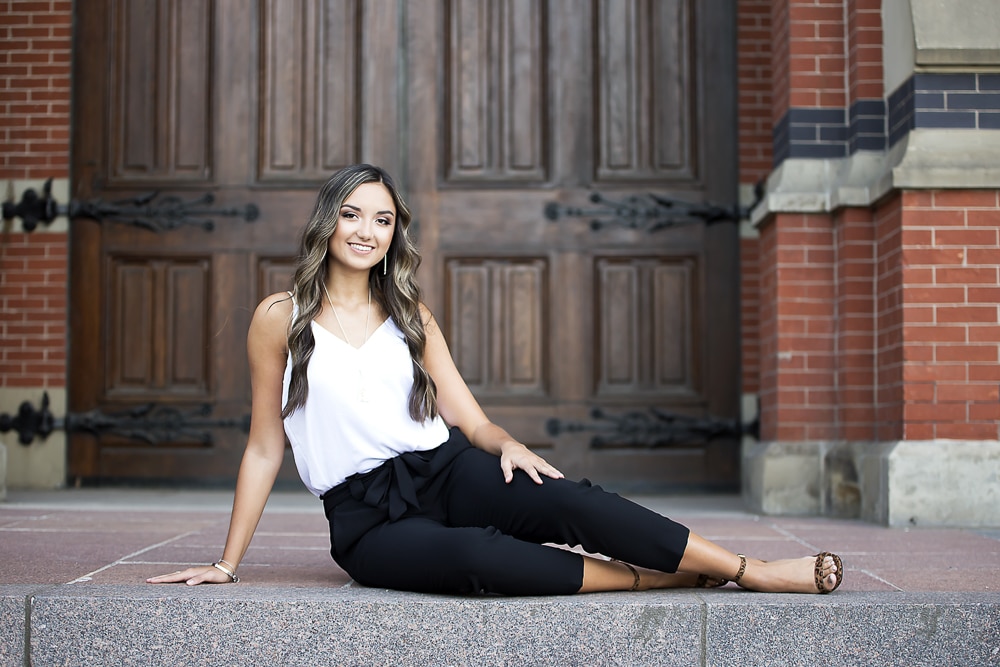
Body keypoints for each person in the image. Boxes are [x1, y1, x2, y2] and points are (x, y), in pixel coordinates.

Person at [148, 163, 843, 596]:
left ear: (395, 234)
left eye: (383, 218)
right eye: (353, 214)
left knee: (573, 500)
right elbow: (265, 445)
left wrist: (505, 441)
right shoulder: (279, 318)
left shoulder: (409, 313)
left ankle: (749, 569)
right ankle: (657, 577)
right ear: (327, 221)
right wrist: (228, 562)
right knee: (478, 558)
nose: (367, 230)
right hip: (365, 519)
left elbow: (470, 418)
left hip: (446, 468)